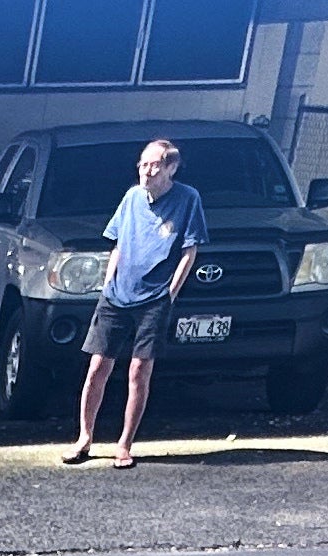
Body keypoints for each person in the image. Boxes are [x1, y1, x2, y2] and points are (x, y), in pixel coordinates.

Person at [71, 138, 207, 468]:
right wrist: (107, 283)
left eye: (154, 165)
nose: (146, 171)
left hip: (154, 298)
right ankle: (84, 438)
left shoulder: (188, 199)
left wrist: (170, 292)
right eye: (143, 164)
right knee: (98, 367)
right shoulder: (132, 197)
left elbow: (190, 251)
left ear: (171, 168)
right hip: (117, 295)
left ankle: (124, 444)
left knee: (138, 370)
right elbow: (117, 242)